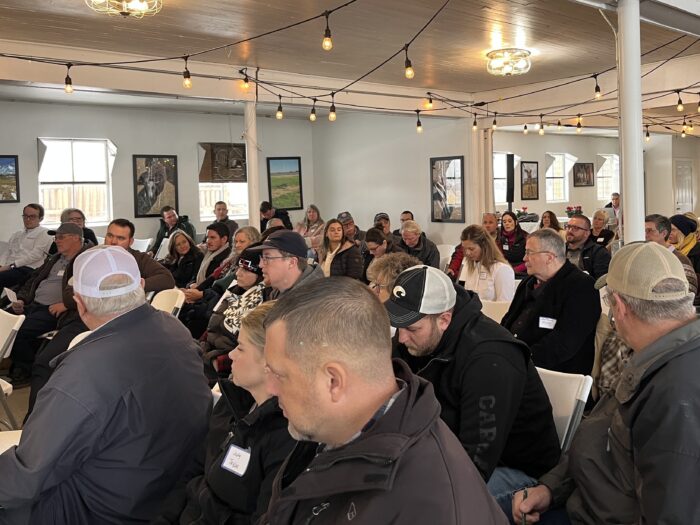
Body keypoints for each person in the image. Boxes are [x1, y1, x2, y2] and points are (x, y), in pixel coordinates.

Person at [261, 277, 508, 524]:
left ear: (333, 382)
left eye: (280, 375)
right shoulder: (325, 429)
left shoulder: (430, 508)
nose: (270, 389)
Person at [0, 245, 211, 524]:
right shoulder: (175, 330)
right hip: (167, 494)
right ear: (142, 286)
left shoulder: (83, 373)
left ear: (80, 302)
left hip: (96, 510)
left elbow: (26, 478)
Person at [513, 241, 700, 524]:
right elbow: (601, 435)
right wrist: (551, 487)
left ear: (619, 308)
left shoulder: (675, 392)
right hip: (577, 497)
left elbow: (673, 513)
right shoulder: (656, 357)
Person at [388, 265, 560, 518]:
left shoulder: (491, 358)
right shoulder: (419, 338)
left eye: (412, 329)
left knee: (416, 510)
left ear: (444, 319)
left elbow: (476, 462)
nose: (401, 339)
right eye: (397, 326)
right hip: (440, 451)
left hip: (514, 470)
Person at [154, 302, 295, 525]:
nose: (230, 354)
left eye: (240, 347)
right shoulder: (233, 402)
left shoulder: (287, 438)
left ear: (270, 363)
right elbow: (193, 469)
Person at [25, 218, 176, 416]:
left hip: (123, 322)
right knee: (46, 362)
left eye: (120, 238)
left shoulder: (138, 259)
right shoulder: (89, 257)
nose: (113, 242)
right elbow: (69, 296)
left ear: (130, 242)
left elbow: (166, 279)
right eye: (110, 235)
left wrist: (131, 285)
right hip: (83, 319)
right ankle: (34, 421)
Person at [501, 228, 600, 374]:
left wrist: (517, 359)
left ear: (549, 257)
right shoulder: (528, 283)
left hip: (552, 373)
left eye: (529, 252)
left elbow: (564, 344)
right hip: (516, 363)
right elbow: (508, 320)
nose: (524, 259)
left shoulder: (581, 287)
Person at [5, 223, 84, 386]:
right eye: (56, 237)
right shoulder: (55, 258)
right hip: (34, 304)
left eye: (61, 237)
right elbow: (33, 279)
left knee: (16, 331)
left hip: (54, 310)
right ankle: (16, 364)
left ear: (76, 238)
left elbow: (87, 291)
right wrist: (22, 299)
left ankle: (28, 370)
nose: (57, 241)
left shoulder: (84, 261)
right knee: (4, 323)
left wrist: (66, 304)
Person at [248, 230, 324, 298]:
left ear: (291, 262)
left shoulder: (313, 302)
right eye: (262, 258)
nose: (260, 265)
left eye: (267, 258)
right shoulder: (280, 291)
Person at [645, 213, 698, 301]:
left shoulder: (680, 260)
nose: (645, 235)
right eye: (644, 231)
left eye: (650, 230)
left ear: (664, 233)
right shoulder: (649, 257)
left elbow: (690, 291)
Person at [0, 203, 52, 288]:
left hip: (26, 269)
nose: (28, 219)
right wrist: (1, 265)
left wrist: (10, 266)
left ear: (41, 218)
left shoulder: (45, 233)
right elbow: (7, 251)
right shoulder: (17, 234)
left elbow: (35, 255)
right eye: (25, 216)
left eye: (32, 216)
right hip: (9, 267)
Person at [457, 225, 515, 301]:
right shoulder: (468, 265)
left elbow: (504, 305)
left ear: (484, 246)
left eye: (471, 249)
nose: (467, 253)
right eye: (465, 249)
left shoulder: (502, 269)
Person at [565, 214, 611, 279]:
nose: (569, 230)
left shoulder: (599, 253)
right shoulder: (558, 250)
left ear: (586, 233)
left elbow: (601, 283)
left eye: (576, 228)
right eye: (568, 227)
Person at [498, 211, 528, 276]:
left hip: (523, 271)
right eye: (504, 222)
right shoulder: (500, 238)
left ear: (516, 222)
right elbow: (500, 258)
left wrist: (515, 270)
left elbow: (531, 259)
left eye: (509, 221)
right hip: (506, 270)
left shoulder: (525, 237)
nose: (507, 224)